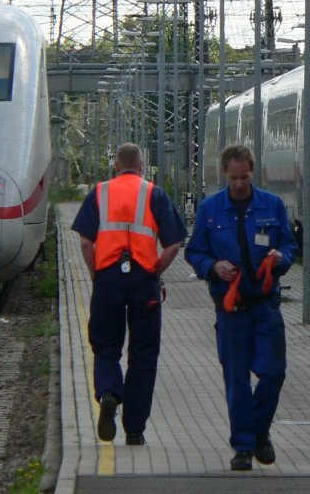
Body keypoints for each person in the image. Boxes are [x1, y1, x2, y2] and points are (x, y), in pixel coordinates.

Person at [185, 144, 298, 471]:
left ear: (253, 171)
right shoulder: (210, 210)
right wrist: (213, 266)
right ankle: (244, 447)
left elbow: (289, 246)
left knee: (273, 372)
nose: (238, 183)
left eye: (244, 177)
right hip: (230, 308)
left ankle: (259, 430)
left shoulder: (271, 206)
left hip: (265, 306)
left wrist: (280, 258)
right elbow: (194, 252)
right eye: (233, 178)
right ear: (225, 174)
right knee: (236, 380)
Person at [72, 142, 187, 445]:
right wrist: (155, 272)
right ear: (141, 166)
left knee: (106, 346)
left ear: (116, 166)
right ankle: (134, 429)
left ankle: (109, 391)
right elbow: (174, 244)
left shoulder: (100, 192)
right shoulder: (154, 193)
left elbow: (85, 242)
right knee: (144, 354)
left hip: (108, 278)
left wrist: (96, 274)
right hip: (143, 279)